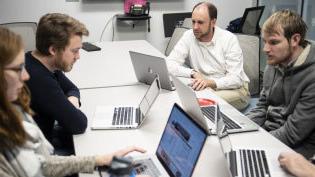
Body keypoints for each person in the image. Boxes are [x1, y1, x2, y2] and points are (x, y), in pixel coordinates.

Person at [0, 27, 149, 177]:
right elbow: (77, 124)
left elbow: (43, 164)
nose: (25, 76)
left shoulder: (12, 112)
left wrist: (99, 160)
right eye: (18, 68)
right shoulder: (38, 81)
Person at [246, 9, 315, 158]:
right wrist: (242, 127)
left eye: (273, 42)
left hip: (299, 149)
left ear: (295, 40)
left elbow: (293, 133)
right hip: (270, 133)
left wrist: (254, 143)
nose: (266, 49)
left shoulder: (312, 76)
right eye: (265, 41)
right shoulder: (276, 60)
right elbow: (262, 106)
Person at [166, 1, 250, 110]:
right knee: (178, 97)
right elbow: (169, 64)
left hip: (235, 89)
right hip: (205, 86)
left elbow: (236, 79)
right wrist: (193, 73)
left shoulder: (229, 39)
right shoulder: (189, 35)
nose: (195, 27)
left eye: (200, 22)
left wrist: (209, 82)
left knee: (196, 103)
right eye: (193, 22)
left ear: (213, 22)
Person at [25, 13, 88, 154]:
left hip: (45, 139)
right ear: (53, 50)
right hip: (41, 153)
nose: (78, 57)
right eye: (74, 51)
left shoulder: (39, 61)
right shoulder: (39, 79)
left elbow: (72, 88)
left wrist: (72, 99)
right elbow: (79, 124)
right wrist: (71, 108)